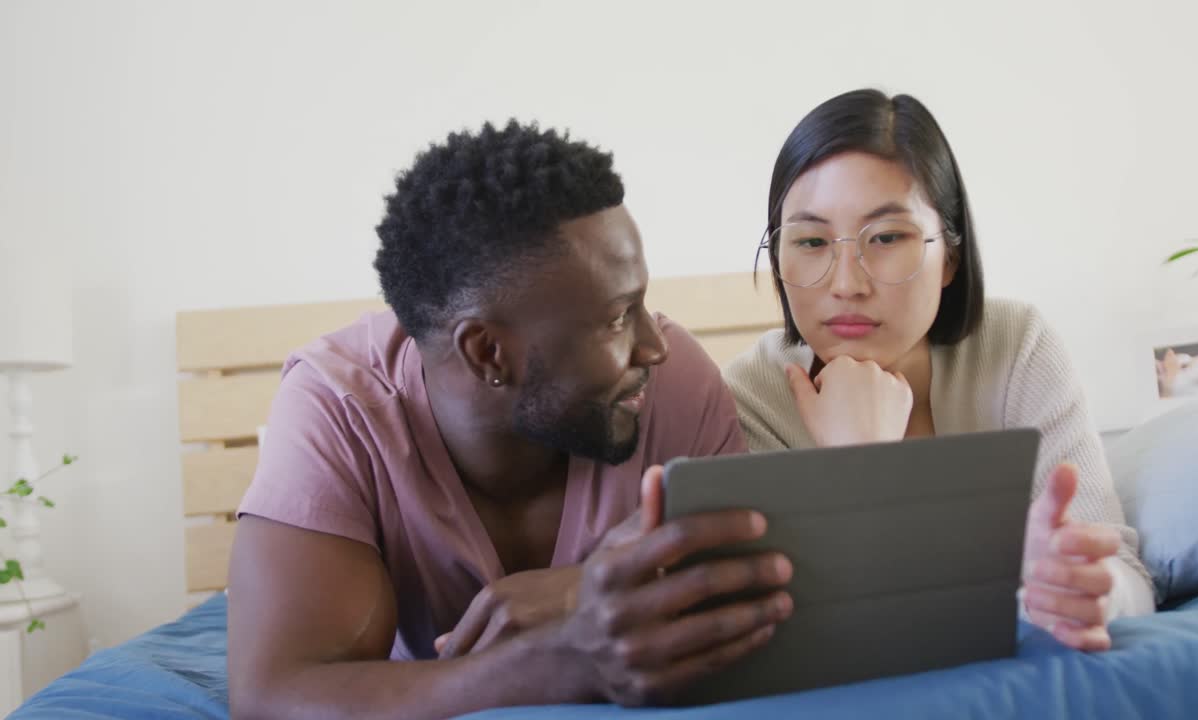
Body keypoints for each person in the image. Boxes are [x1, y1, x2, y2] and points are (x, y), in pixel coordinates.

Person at [227, 120, 795, 719]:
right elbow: (273, 696)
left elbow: (749, 604)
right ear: (487, 352)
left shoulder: (673, 387)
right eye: (615, 318)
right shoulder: (339, 410)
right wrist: (554, 662)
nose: (654, 346)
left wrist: (578, 596)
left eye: (643, 303)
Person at [724, 89, 1155, 652]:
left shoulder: (1016, 347)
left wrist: (1090, 593)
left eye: (885, 238)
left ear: (949, 254)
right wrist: (862, 462)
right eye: (809, 241)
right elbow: (812, 631)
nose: (847, 282)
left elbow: (1124, 574)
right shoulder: (749, 397)